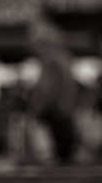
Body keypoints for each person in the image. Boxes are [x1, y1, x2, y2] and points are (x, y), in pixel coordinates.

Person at [29, 19, 79, 163]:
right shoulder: (63, 58)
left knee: (56, 157)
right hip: (63, 114)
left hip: (57, 115)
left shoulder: (52, 61)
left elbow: (49, 91)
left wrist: (37, 108)